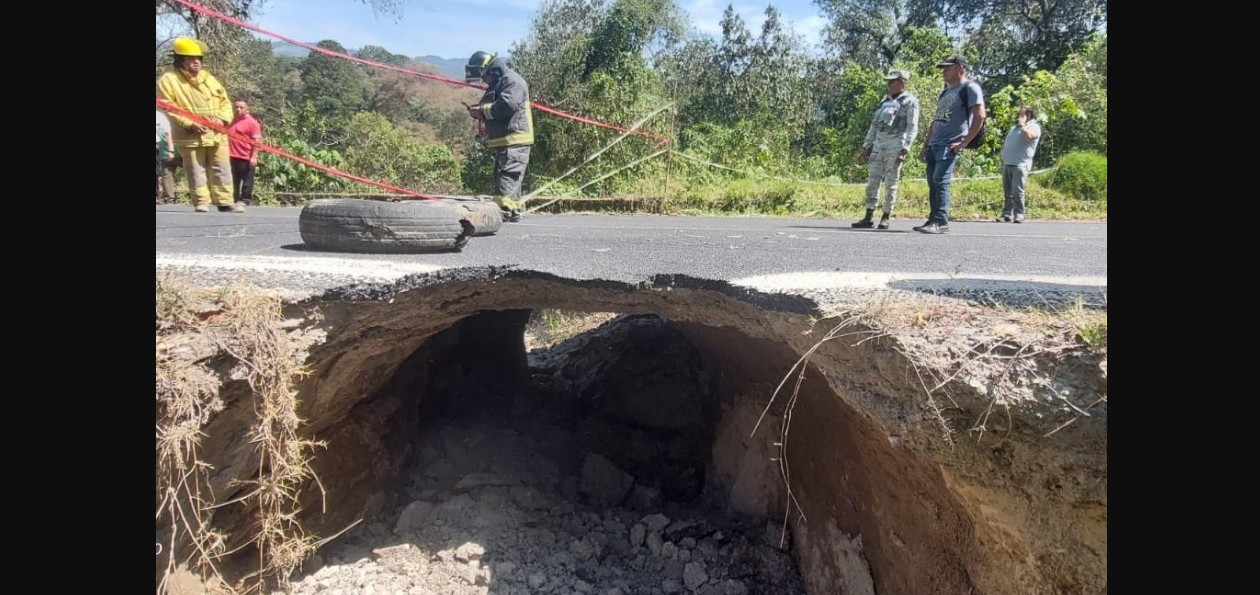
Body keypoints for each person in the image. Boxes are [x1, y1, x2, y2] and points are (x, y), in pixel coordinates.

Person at [157, 37, 241, 213]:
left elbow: (225, 103)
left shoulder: (209, 79)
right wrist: (189, 123)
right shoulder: (168, 80)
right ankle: (201, 201)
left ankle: (225, 201)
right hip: (191, 135)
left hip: (216, 133)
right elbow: (168, 107)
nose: (196, 63)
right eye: (191, 59)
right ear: (181, 60)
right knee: (196, 169)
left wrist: (223, 119)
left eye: (198, 59)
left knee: (222, 167)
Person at [916, 54, 986, 234]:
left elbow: (980, 115)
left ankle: (941, 221)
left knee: (941, 181)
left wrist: (963, 142)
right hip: (934, 143)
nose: (944, 72)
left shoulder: (970, 88)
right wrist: (925, 145)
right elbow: (935, 120)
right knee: (933, 182)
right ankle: (932, 218)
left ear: (960, 68)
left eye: (948, 68)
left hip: (949, 144)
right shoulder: (946, 91)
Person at [465, 50, 534, 223]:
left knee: (507, 176)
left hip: (515, 140)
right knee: (505, 176)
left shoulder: (513, 82)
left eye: (484, 76)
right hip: (506, 141)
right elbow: (491, 106)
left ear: (492, 70)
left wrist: (481, 111)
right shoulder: (498, 84)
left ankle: (504, 213)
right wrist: (479, 111)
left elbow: (506, 106)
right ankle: (512, 211)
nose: (483, 80)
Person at [854, 69, 920, 230]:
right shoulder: (884, 101)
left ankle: (886, 216)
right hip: (878, 146)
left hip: (895, 147)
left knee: (891, 183)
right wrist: (865, 148)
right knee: (872, 182)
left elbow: (912, 127)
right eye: (889, 81)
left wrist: (905, 149)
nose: (889, 84)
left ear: (902, 82)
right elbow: (873, 127)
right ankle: (868, 215)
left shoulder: (910, 101)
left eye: (893, 81)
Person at [997, 106, 1042, 223]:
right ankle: (1007, 214)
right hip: (1008, 163)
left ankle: (1019, 214)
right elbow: (1008, 142)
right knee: (1008, 191)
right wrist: (1002, 153)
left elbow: (1029, 137)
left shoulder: (1034, 127)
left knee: (1017, 191)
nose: (1018, 117)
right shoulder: (1014, 128)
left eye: (1021, 115)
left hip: (1020, 164)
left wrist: (1022, 126)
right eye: (1018, 115)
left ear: (1029, 115)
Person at [227, 100, 263, 208]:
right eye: (236, 107)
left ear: (247, 109)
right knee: (233, 179)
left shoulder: (252, 123)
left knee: (247, 180)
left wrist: (254, 157)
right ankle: (233, 199)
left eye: (241, 107)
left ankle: (245, 200)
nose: (238, 109)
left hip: (245, 156)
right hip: (232, 155)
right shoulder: (232, 121)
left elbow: (257, 141)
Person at [156, 108, 182, 204]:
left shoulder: (164, 119)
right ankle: (168, 198)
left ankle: (169, 198)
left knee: (191, 172)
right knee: (167, 174)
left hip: (177, 151)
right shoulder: (163, 120)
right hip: (167, 152)